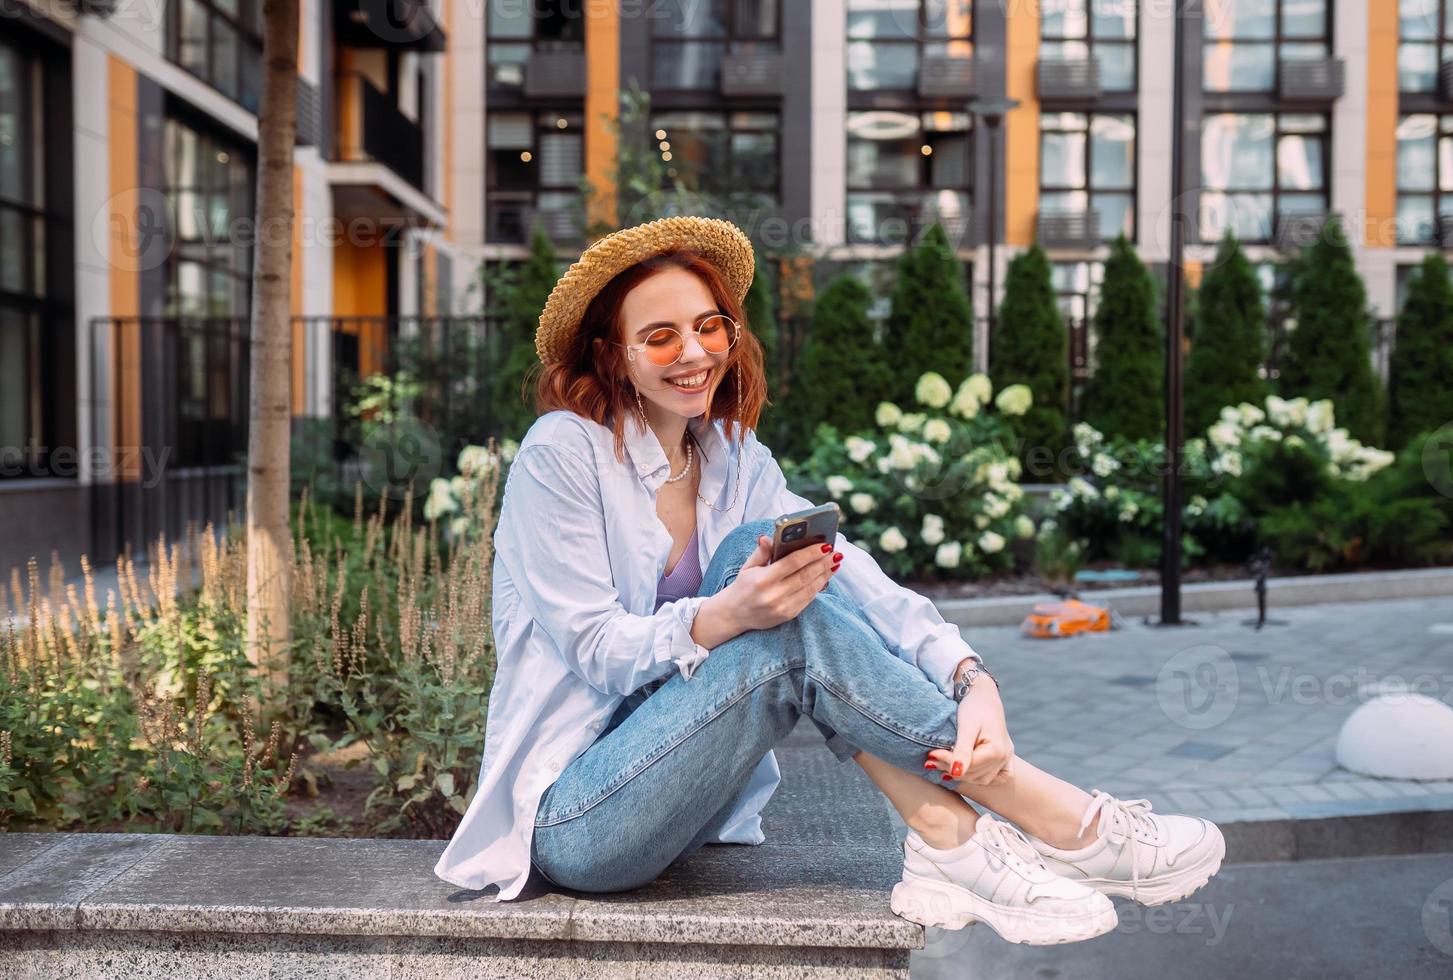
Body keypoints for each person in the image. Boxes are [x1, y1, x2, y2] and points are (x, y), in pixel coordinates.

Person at [434, 216, 1224, 945]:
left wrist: (969, 676)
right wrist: (725, 613)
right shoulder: (561, 452)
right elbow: (595, 648)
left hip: (688, 789)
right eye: (660, 336)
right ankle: (1057, 818)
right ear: (614, 355)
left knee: (788, 563)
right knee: (778, 618)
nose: (695, 352)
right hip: (580, 817)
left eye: (710, 326)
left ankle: (949, 838)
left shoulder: (735, 459)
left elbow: (860, 584)